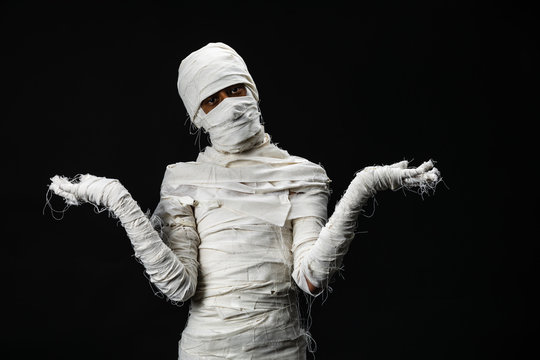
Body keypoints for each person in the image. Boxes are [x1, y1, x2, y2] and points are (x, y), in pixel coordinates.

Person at [48, 42, 440, 359]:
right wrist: (118, 201)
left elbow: (311, 278)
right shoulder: (185, 180)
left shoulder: (303, 175)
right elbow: (180, 287)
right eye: (211, 100)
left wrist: (364, 185)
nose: (229, 105)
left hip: (282, 349)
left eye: (235, 90)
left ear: (253, 93)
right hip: (206, 351)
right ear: (197, 117)